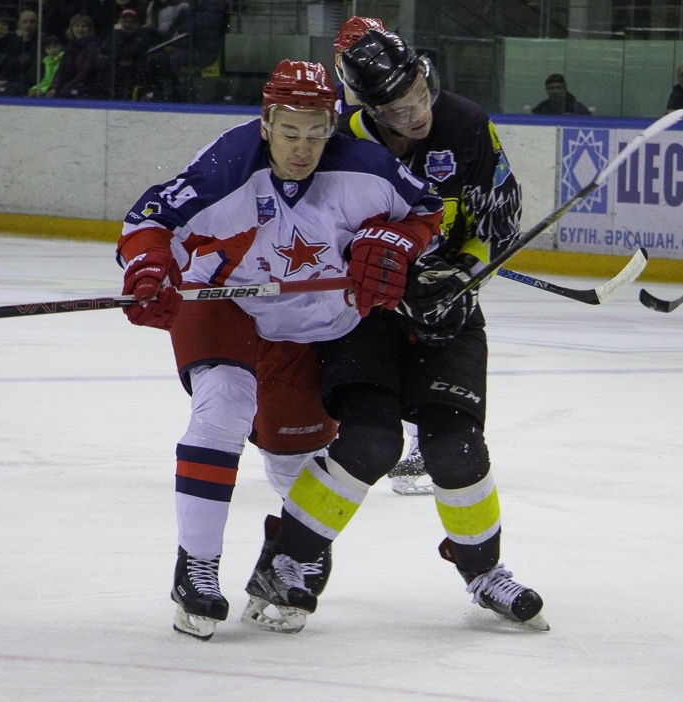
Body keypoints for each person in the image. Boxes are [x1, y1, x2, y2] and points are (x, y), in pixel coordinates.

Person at [115, 59, 442, 641]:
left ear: (333, 126)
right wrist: (149, 267)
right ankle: (196, 569)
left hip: (309, 322)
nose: (302, 148)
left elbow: (426, 212)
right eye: (289, 132)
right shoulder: (226, 167)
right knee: (223, 404)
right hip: (224, 301)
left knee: (295, 462)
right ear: (266, 123)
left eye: (316, 133)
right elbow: (148, 222)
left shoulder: (366, 168)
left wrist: (392, 239)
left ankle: (289, 556)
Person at [240, 29, 546, 636]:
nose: (418, 114)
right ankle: (287, 560)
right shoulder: (341, 145)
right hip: (366, 314)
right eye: (399, 111)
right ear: (368, 110)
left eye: (421, 95)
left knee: (456, 448)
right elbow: (312, 234)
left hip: (450, 308)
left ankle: (484, 571)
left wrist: (461, 276)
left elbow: (501, 220)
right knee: (371, 441)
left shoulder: (466, 124)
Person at [331, 15, 384, 112]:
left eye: (375, 58)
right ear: (339, 60)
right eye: (358, 58)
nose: (366, 66)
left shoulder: (397, 104)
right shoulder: (324, 100)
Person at [100, 7, 152, 99]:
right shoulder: (113, 35)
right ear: (119, 22)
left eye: (132, 22)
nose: (128, 24)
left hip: (134, 75)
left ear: (137, 24)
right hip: (113, 74)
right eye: (125, 21)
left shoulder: (142, 36)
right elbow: (106, 51)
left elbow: (129, 54)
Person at [47, 14, 99, 98]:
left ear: (90, 29)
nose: (80, 29)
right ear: (72, 28)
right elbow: (61, 70)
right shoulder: (70, 46)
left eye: (84, 26)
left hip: (86, 89)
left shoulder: (92, 46)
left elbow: (85, 71)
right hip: (70, 88)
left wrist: (67, 87)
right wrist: (54, 87)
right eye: (77, 26)